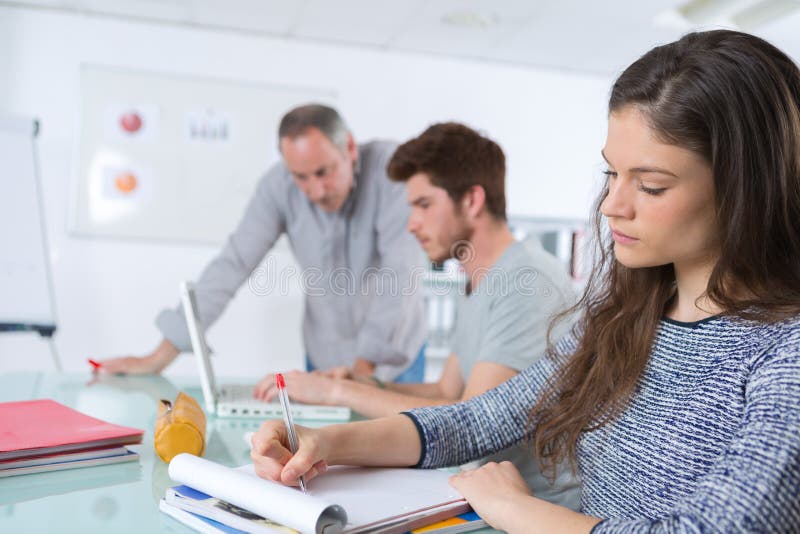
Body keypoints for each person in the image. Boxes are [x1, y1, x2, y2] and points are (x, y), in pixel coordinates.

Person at [249, 30, 800, 533]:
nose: (611, 205)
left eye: (651, 185)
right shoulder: (626, 317)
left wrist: (516, 508)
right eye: (611, 174)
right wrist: (323, 443)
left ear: (746, 188)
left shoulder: (784, 353)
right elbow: (476, 419)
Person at [254, 122, 581, 509]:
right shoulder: (477, 281)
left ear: (472, 200)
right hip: (482, 492)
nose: (411, 223)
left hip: (534, 507)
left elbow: (469, 422)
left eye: (424, 205)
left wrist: (335, 392)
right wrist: (366, 382)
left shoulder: (527, 283)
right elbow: (447, 392)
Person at [98, 104, 426, 384]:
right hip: (325, 355)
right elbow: (234, 263)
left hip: (394, 359)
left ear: (350, 148)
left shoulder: (392, 173)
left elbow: (400, 274)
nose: (315, 191)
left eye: (323, 172)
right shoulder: (278, 187)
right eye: (301, 177)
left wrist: (361, 373)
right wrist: (158, 357)